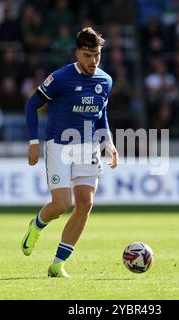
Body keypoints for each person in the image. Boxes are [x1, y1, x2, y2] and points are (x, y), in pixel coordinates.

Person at [21, 27, 119, 278]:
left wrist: (108, 141)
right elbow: (32, 105)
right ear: (77, 53)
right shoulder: (60, 77)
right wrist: (33, 142)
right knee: (62, 204)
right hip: (59, 146)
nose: (93, 61)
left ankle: (58, 264)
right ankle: (37, 225)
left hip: (88, 147)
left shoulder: (105, 81)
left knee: (85, 203)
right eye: (87, 55)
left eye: (96, 54)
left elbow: (101, 115)